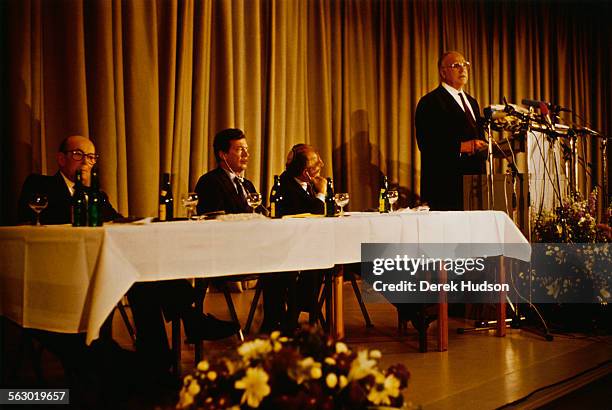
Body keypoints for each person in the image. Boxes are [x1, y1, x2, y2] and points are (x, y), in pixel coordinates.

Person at [17, 135, 239, 377]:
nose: (86, 162)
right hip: (62, 271)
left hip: (104, 267)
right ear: (61, 159)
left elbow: (118, 221)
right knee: (141, 277)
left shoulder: (97, 195)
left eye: (91, 157)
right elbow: (29, 224)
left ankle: (156, 362)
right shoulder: (41, 186)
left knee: (145, 276)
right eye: (78, 155)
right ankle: (191, 320)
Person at [260, 144, 327, 333]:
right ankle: (295, 314)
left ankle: (301, 309)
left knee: (327, 258)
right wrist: (321, 193)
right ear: (305, 172)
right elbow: (315, 210)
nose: (321, 163)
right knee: (318, 263)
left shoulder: (307, 184)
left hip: (306, 246)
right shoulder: (285, 185)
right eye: (316, 162)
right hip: (285, 249)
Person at [415, 51, 487, 211]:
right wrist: (461, 147)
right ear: (443, 72)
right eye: (456, 66)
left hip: (475, 186)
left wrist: (485, 147)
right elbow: (427, 144)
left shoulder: (472, 102)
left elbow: (478, 137)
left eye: (465, 65)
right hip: (445, 188)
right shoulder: (430, 102)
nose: (463, 69)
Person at [195, 128, 265, 215]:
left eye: (246, 149)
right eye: (240, 149)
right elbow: (212, 218)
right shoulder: (209, 181)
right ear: (223, 155)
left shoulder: (248, 185)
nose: (246, 154)